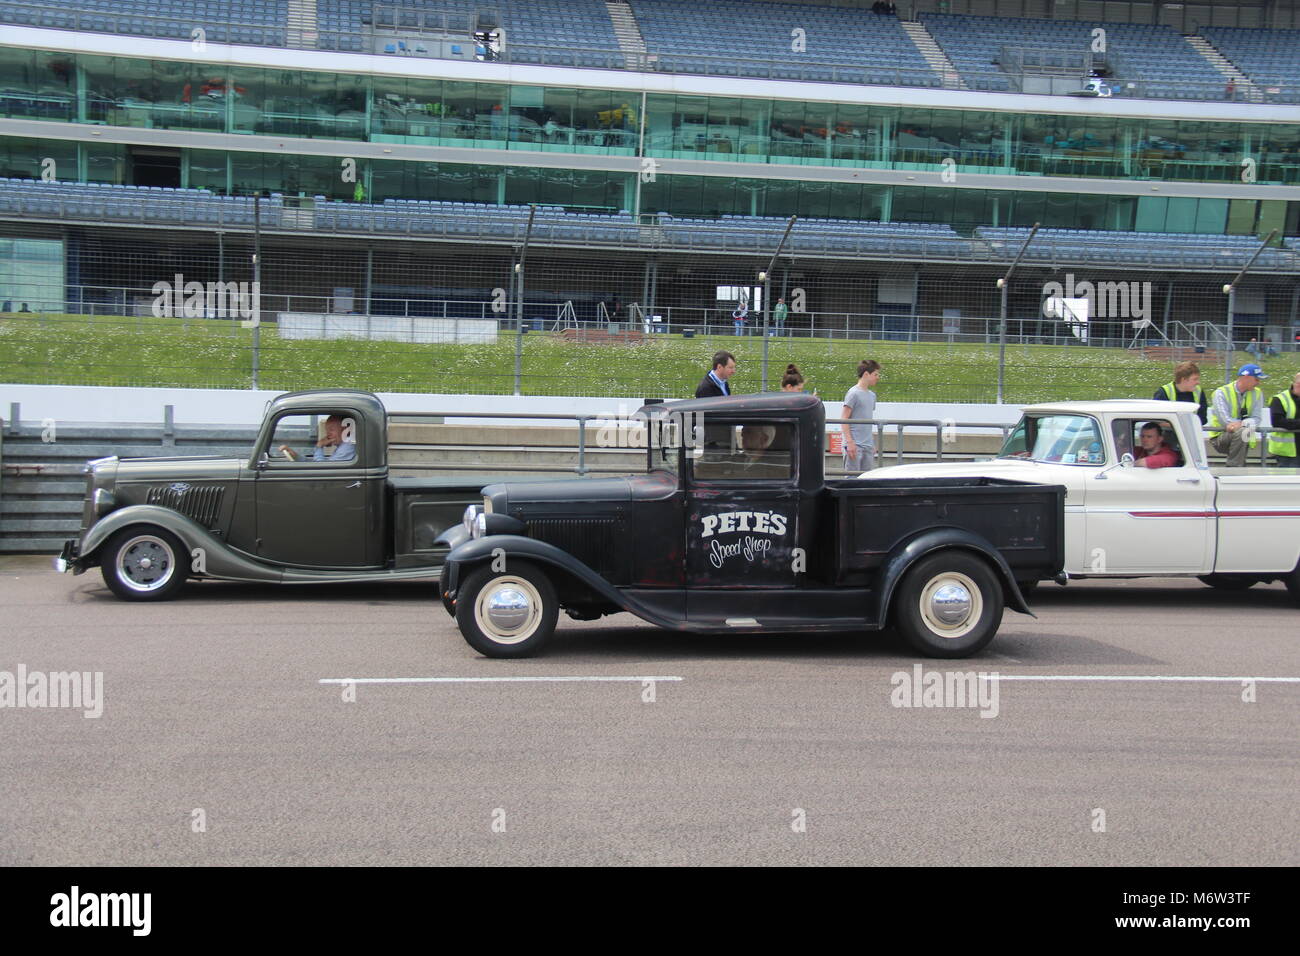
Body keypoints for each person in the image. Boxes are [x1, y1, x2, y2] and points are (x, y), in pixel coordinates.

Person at [1208, 364, 1269, 467]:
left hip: (1244, 436)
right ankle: (1234, 468)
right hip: (1220, 436)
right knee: (1244, 431)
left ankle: (1238, 467)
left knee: (1243, 431)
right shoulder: (1221, 393)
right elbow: (1224, 420)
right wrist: (1246, 425)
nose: (1258, 383)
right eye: (1256, 379)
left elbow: (1257, 418)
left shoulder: (1257, 393)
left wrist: (1242, 424)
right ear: (1246, 378)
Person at [841, 359, 881, 473]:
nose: (877, 377)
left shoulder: (872, 396)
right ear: (866, 374)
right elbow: (844, 418)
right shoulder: (853, 393)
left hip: (867, 446)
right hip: (855, 445)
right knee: (852, 479)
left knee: (866, 478)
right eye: (875, 374)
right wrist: (849, 442)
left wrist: (871, 443)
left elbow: (867, 419)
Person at [278, 415, 356, 462]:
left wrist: (319, 446)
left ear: (345, 429)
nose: (328, 434)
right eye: (327, 430)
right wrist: (296, 457)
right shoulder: (342, 446)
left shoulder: (348, 446)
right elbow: (317, 464)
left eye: (331, 430)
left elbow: (322, 469)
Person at [1267, 372, 1300, 465]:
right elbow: (1277, 422)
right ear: (1297, 385)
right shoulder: (1279, 399)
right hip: (1287, 453)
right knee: (1289, 479)